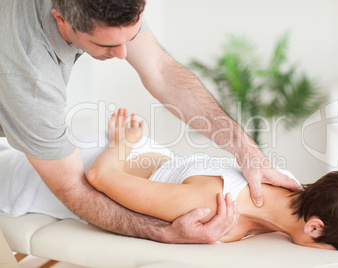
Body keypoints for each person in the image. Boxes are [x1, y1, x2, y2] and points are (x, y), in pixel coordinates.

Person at [0, 0, 300, 243]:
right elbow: (73, 188)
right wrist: (166, 233)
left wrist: (246, 149)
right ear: (61, 19)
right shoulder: (31, 77)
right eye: (105, 45)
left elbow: (160, 70)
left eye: (131, 37)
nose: (122, 55)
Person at [86, 109, 338, 251]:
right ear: (314, 227)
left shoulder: (287, 185)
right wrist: (124, 141)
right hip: (106, 155)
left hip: (154, 158)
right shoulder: (208, 205)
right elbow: (99, 176)